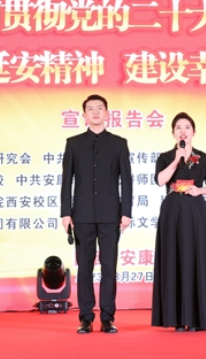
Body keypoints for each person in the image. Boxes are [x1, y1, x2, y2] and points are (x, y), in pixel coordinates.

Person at [61, 94, 132, 334]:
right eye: (90, 109)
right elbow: (67, 181)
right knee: (85, 269)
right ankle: (86, 318)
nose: (95, 112)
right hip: (81, 215)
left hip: (111, 215)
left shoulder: (119, 143)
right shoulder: (73, 143)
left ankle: (108, 318)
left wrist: (126, 212)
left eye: (99, 108)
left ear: (107, 113)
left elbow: (127, 181)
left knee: (109, 268)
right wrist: (65, 213)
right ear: (84, 115)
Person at [151, 112, 206, 331]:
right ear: (173, 133)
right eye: (179, 128)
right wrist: (176, 160)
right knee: (174, 258)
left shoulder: (204, 158)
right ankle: (177, 319)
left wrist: (199, 190)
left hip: (195, 211)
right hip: (173, 211)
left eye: (187, 127)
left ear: (194, 132)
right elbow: (160, 180)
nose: (183, 131)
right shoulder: (166, 157)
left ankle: (198, 318)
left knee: (197, 257)